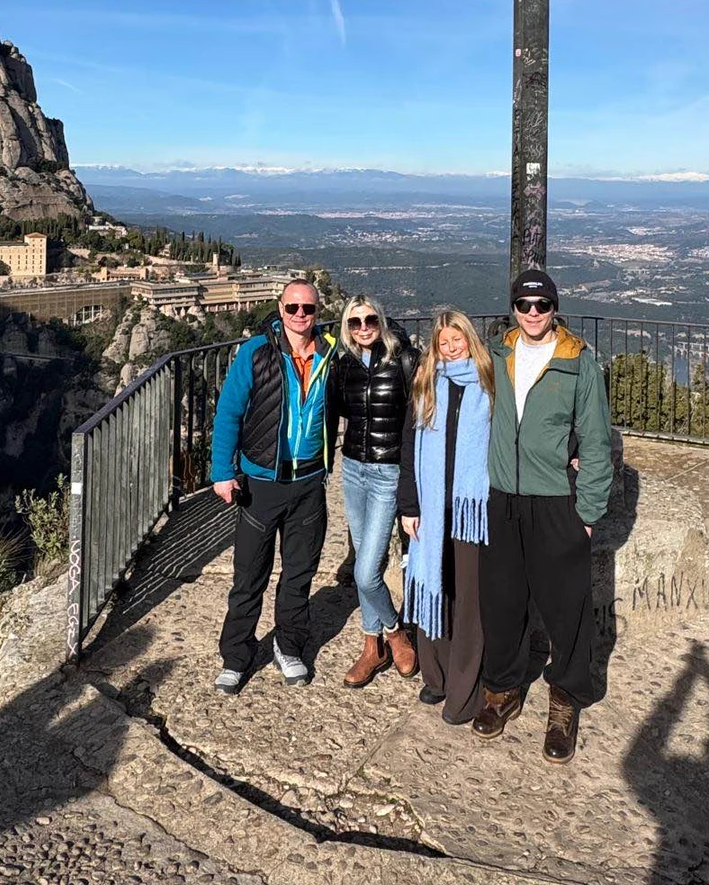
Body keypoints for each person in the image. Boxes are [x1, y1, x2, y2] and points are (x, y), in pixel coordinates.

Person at [473, 268, 613, 764]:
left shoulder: (579, 365)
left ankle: (565, 700)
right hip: (501, 497)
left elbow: (596, 442)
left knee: (566, 608)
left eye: (542, 305)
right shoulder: (495, 355)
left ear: (555, 309)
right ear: (513, 308)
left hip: (554, 499)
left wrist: (588, 512)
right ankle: (502, 689)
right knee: (501, 602)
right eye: (524, 305)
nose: (533, 313)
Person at [209, 278, 337, 694]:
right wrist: (222, 472)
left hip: (309, 482)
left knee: (299, 575)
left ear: (317, 312)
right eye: (292, 307)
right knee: (249, 576)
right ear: (280, 309)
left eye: (308, 308)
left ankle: (289, 647)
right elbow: (229, 412)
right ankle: (236, 656)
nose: (300, 315)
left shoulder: (331, 352)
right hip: (261, 481)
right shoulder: (256, 352)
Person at [399, 309, 495, 725]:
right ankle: (436, 674)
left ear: (470, 340)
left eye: (458, 339)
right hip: (431, 507)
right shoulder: (427, 384)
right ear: (435, 348)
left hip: (472, 510)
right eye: (444, 342)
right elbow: (408, 447)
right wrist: (409, 505)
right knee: (433, 583)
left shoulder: (489, 383)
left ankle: (464, 692)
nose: (452, 348)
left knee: (469, 600)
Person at [328, 295, 419, 687]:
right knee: (366, 559)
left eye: (369, 320)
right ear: (346, 328)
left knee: (366, 572)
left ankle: (394, 633)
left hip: (387, 473)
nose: (363, 327)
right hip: (353, 470)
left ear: (381, 321)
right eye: (354, 322)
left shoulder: (404, 360)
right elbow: (334, 413)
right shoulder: (343, 365)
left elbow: (418, 419)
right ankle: (372, 645)